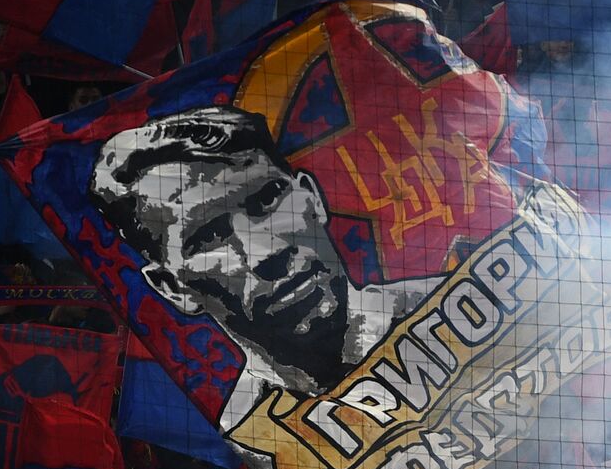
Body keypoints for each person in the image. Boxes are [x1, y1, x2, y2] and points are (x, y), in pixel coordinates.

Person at [86, 106, 429, 426]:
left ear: (313, 198)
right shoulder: (249, 437)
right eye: (209, 237)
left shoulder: (460, 306)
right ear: (172, 288)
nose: (266, 254)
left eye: (267, 199)